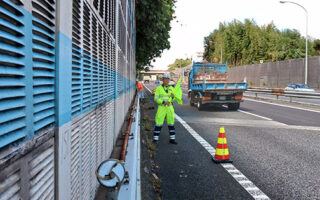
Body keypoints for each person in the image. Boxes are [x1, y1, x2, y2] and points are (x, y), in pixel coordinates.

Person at [153, 73, 178, 144]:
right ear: (163, 80)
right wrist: (163, 102)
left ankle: (172, 139)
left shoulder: (172, 88)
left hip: (170, 108)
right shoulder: (159, 88)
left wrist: (173, 97)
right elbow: (156, 98)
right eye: (165, 79)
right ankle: (155, 139)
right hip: (162, 108)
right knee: (158, 123)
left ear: (169, 80)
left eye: (167, 79)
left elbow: (174, 99)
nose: (166, 80)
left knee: (171, 123)